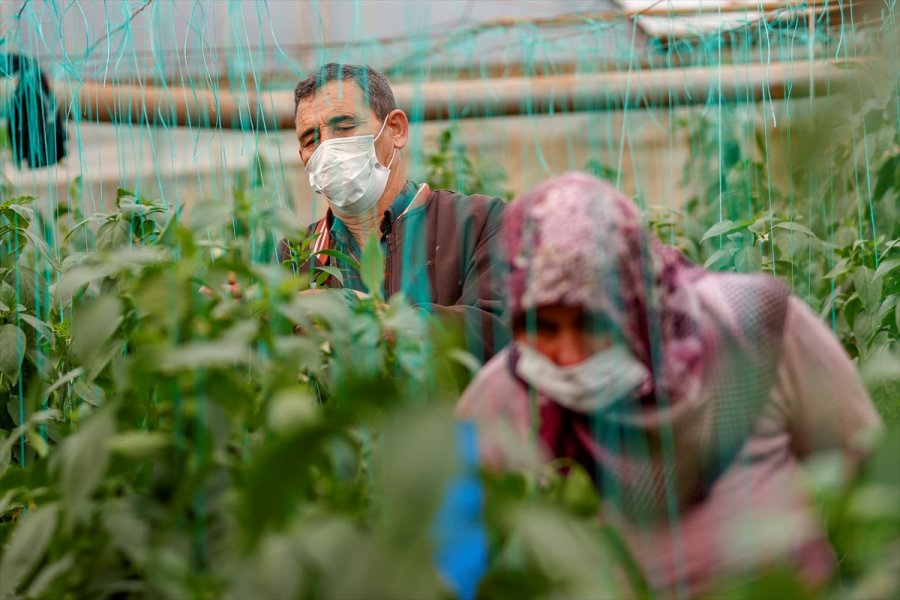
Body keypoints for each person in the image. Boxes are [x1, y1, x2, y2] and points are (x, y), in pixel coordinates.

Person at [456, 172, 882, 596]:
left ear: (636, 301)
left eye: (592, 323)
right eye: (543, 327)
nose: (567, 355)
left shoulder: (751, 334)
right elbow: (453, 558)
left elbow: (874, 482)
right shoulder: (502, 400)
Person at [279, 63, 508, 362]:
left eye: (345, 127)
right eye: (311, 140)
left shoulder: (478, 222)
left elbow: (501, 331)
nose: (327, 150)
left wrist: (373, 319)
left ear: (396, 130)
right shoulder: (297, 254)